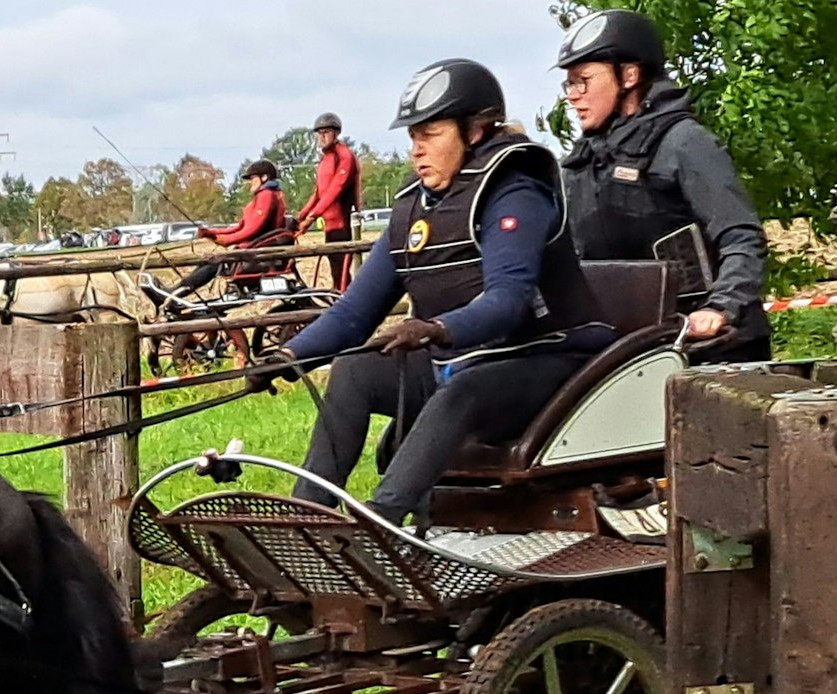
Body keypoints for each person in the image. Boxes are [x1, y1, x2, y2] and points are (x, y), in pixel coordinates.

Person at [256, 59, 616, 526]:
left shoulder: (516, 192)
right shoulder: (414, 207)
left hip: (549, 363)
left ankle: (379, 526)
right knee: (355, 370)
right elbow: (353, 315)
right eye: (412, 136)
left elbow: (507, 301)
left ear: (476, 130)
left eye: (430, 134)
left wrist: (436, 328)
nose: (416, 150)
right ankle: (307, 520)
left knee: (461, 391)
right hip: (467, 359)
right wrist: (289, 355)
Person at [557, 8, 771, 361]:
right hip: (636, 348)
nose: (573, 95)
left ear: (629, 75)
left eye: (584, 80)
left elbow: (741, 237)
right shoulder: (581, 162)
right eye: (569, 83)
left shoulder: (684, 143)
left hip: (714, 344)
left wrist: (721, 307)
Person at [169, 159, 290, 299]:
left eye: (253, 178)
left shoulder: (267, 195)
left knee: (214, 263)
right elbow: (240, 227)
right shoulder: (264, 196)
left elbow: (252, 229)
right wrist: (212, 233)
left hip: (256, 256)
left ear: (264, 178)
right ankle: (174, 293)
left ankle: (173, 295)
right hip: (253, 252)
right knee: (209, 262)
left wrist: (226, 240)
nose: (250, 182)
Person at [296, 112, 361, 289]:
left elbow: (334, 191)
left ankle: (346, 305)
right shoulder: (325, 160)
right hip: (329, 225)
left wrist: (312, 216)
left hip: (342, 223)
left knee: (341, 272)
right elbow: (318, 193)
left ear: (336, 133)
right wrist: (301, 217)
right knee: (335, 270)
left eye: (326, 132)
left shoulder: (344, 157)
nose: (322, 137)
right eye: (319, 133)